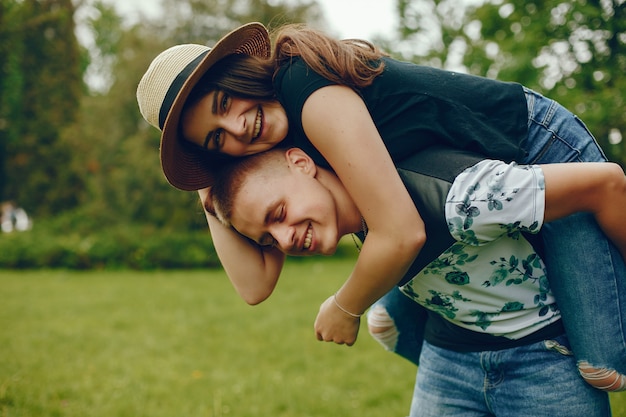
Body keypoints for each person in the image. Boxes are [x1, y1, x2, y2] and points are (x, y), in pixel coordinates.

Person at [136, 22, 626, 390]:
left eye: (225, 104)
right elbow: (254, 285)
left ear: (240, 74)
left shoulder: (304, 90)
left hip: (535, 143)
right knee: (391, 325)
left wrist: (344, 306)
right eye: (216, 139)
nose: (238, 130)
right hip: (459, 192)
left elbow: (400, 233)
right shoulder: (265, 139)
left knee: (604, 364)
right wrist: (208, 193)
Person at [209, 145, 615, 416]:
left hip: (544, 364)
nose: (284, 240)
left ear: (302, 164)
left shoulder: (464, 198)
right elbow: (252, 287)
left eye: (278, 214)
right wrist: (200, 178)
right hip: (448, 360)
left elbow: (605, 183)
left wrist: (345, 307)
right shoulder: (346, 212)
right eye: (268, 240)